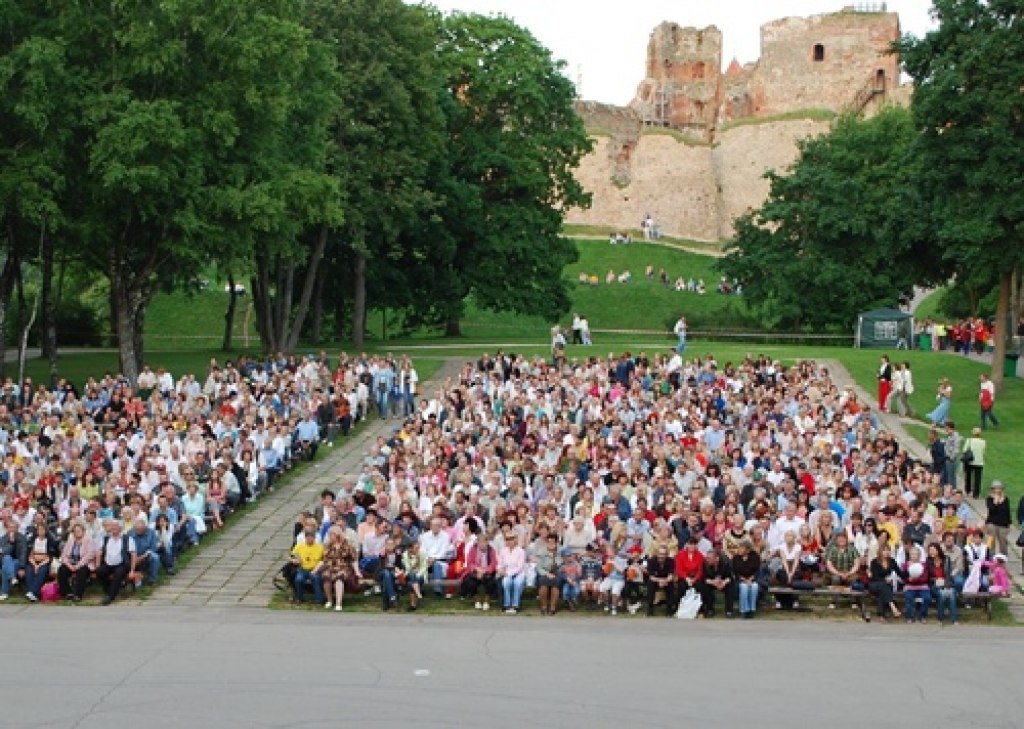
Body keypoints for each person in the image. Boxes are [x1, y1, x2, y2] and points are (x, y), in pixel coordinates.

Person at [58, 521, 97, 602]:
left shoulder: (89, 540)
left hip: (85, 564)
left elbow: (89, 555)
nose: (77, 533)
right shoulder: (71, 540)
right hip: (71, 563)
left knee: (81, 571)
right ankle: (67, 593)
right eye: (75, 531)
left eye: (79, 531)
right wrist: (69, 565)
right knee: (62, 570)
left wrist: (77, 565)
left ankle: (78, 595)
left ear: (83, 531)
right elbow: (64, 554)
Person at [96, 519, 131, 606]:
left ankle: (110, 597)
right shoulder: (105, 538)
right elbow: (99, 552)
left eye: (116, 527)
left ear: (120, 529)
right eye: (113, 527)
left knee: (119, 573)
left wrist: (132, 569)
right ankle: (110, 590)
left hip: (121, 564)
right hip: (108, 563)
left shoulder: (126, 539)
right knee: (99, 571)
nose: (114, 529)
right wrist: (97, 564)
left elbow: (133, 554)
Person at [461, 530, 497, 610]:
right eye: (479, 542)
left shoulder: (491, 550)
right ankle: (476, 600)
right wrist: (477, 570)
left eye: (483, 542)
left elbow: (493, 564)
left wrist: (484, 571)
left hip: (487, 572)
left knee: (491, 582)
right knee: (469, 581)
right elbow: (470, 562)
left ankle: (487, 600)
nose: (481, 544)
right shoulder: (473, 549)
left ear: (487, 542)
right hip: (475, 571)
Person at [419, 517, 453, 598]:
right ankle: (421, 589)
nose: (435, 527)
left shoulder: (445, 536)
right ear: (430, 526)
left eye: (437, 525)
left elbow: (444, 552)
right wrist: (428, 559)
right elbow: (422, 550)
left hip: (440, 560)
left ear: (440, 526)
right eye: (433, 525)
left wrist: (434, 559)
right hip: (427, 560)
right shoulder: (425, 536)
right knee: (423, 564)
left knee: (437, 565)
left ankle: (438, 589)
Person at [868, 543, 902, 622]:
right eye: (884, 550)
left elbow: (900, 573)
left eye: (888, 550)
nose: (886, 552)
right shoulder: (874, 562)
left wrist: (909, 577)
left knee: (882, 593)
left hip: (885, 586)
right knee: (884, 586)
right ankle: (893, 606)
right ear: (880, 552)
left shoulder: (892, 561)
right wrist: (885, 580)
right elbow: (875, 577)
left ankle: (881, 616)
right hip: (874, 584)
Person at [291, 528, 325, 605]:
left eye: (311, 537)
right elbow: (292, 556)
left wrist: (317, 569)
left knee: (316, 578)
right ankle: (299, 598)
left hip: (314, 569)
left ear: (314, 537)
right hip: (303, 569)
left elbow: (323, 559)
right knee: (299, 579)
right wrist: (294, 560)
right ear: (305, 537)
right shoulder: (299, 546)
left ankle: (319, 600)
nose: (309, 539)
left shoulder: (320, 547)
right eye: (308, 537)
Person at [699, 548, 734, 618]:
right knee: (704, 586)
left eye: (710, 558)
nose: (707, 559)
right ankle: (710, 609)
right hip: (712, 582)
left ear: (717, 558)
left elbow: (731, 577)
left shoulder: (726, 562)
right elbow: (704, 578)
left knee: (730, 586)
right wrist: (713, 582)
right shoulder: (705, 563)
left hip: (724, 582)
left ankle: (729, 611)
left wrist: (723, 583)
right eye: (707, 557)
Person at [497, 532, 526, 614]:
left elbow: (519, 567)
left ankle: (515, 605)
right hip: (506, 572)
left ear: (515, 540)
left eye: (511, 539)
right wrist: (500, 570)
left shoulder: (521, 551)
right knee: (506, 582)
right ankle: (507, 605)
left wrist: (508, 573)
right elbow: (499, 563)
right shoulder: (503, 550)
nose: (509, 541)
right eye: (507, 539)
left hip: (519, 573)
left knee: (517, 583)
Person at [534, 532, 562, 615]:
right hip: (544, 573)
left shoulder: (560, 551)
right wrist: (547, 574)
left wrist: (554, 554)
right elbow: (538, 567)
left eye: (553, 542)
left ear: (556, 543)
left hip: (556, 573)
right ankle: (544, 607)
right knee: (543, 584)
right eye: (549, 541)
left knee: (555, 583)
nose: (550, 544)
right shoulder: (541, 551)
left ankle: (553, 608)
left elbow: (560, 564)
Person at [733, 539, 761, 619]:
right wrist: (745, 580)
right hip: (740, 579)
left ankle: (752, 610)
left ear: (748, 550)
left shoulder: (755, 556)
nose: (739, 549)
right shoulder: (736, 558)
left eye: (741, 548)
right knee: (744, 587)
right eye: (739, 547)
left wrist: (751, 579)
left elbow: (757, 570)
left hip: (752, 578)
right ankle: (744, 610)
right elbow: (735, 572)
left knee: (754, 586)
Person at [903, 545, 931, 623]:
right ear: (909, 555)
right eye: (912, 554)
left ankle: (922, 616)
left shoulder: (924, 565)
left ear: (919, 555)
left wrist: (914, 579)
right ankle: (910, 617)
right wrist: (909, 580)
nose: (914, 556)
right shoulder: (906, 565)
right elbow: (904, 577)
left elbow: (925, 578)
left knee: (927, 598)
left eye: (916, 554)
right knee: (909, 597)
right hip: (910, 587)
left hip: (922, 587)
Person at [984, 480, 1011, 557]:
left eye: (999, 488)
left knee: (1003, 541)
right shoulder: (989, 499)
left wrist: (1009, 523)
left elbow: (1007, 511)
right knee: (991, 540)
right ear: (992, 489)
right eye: (996, 488)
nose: (998, 490)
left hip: (1003, 523)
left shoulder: (1006, 499)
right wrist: (995, 502)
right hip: (992, 522)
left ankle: (1003, 557)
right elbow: (992, 510)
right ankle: (991, 556)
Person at [961, 427, 987, 499]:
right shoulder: (983, 442)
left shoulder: (969, 440)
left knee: (968, 476)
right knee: (977, 478)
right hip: (979, 462)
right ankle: (976, 494)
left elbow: (964, 450)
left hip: (970, 461)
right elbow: (983, 452)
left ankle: (968, 490)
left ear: (973, 433)